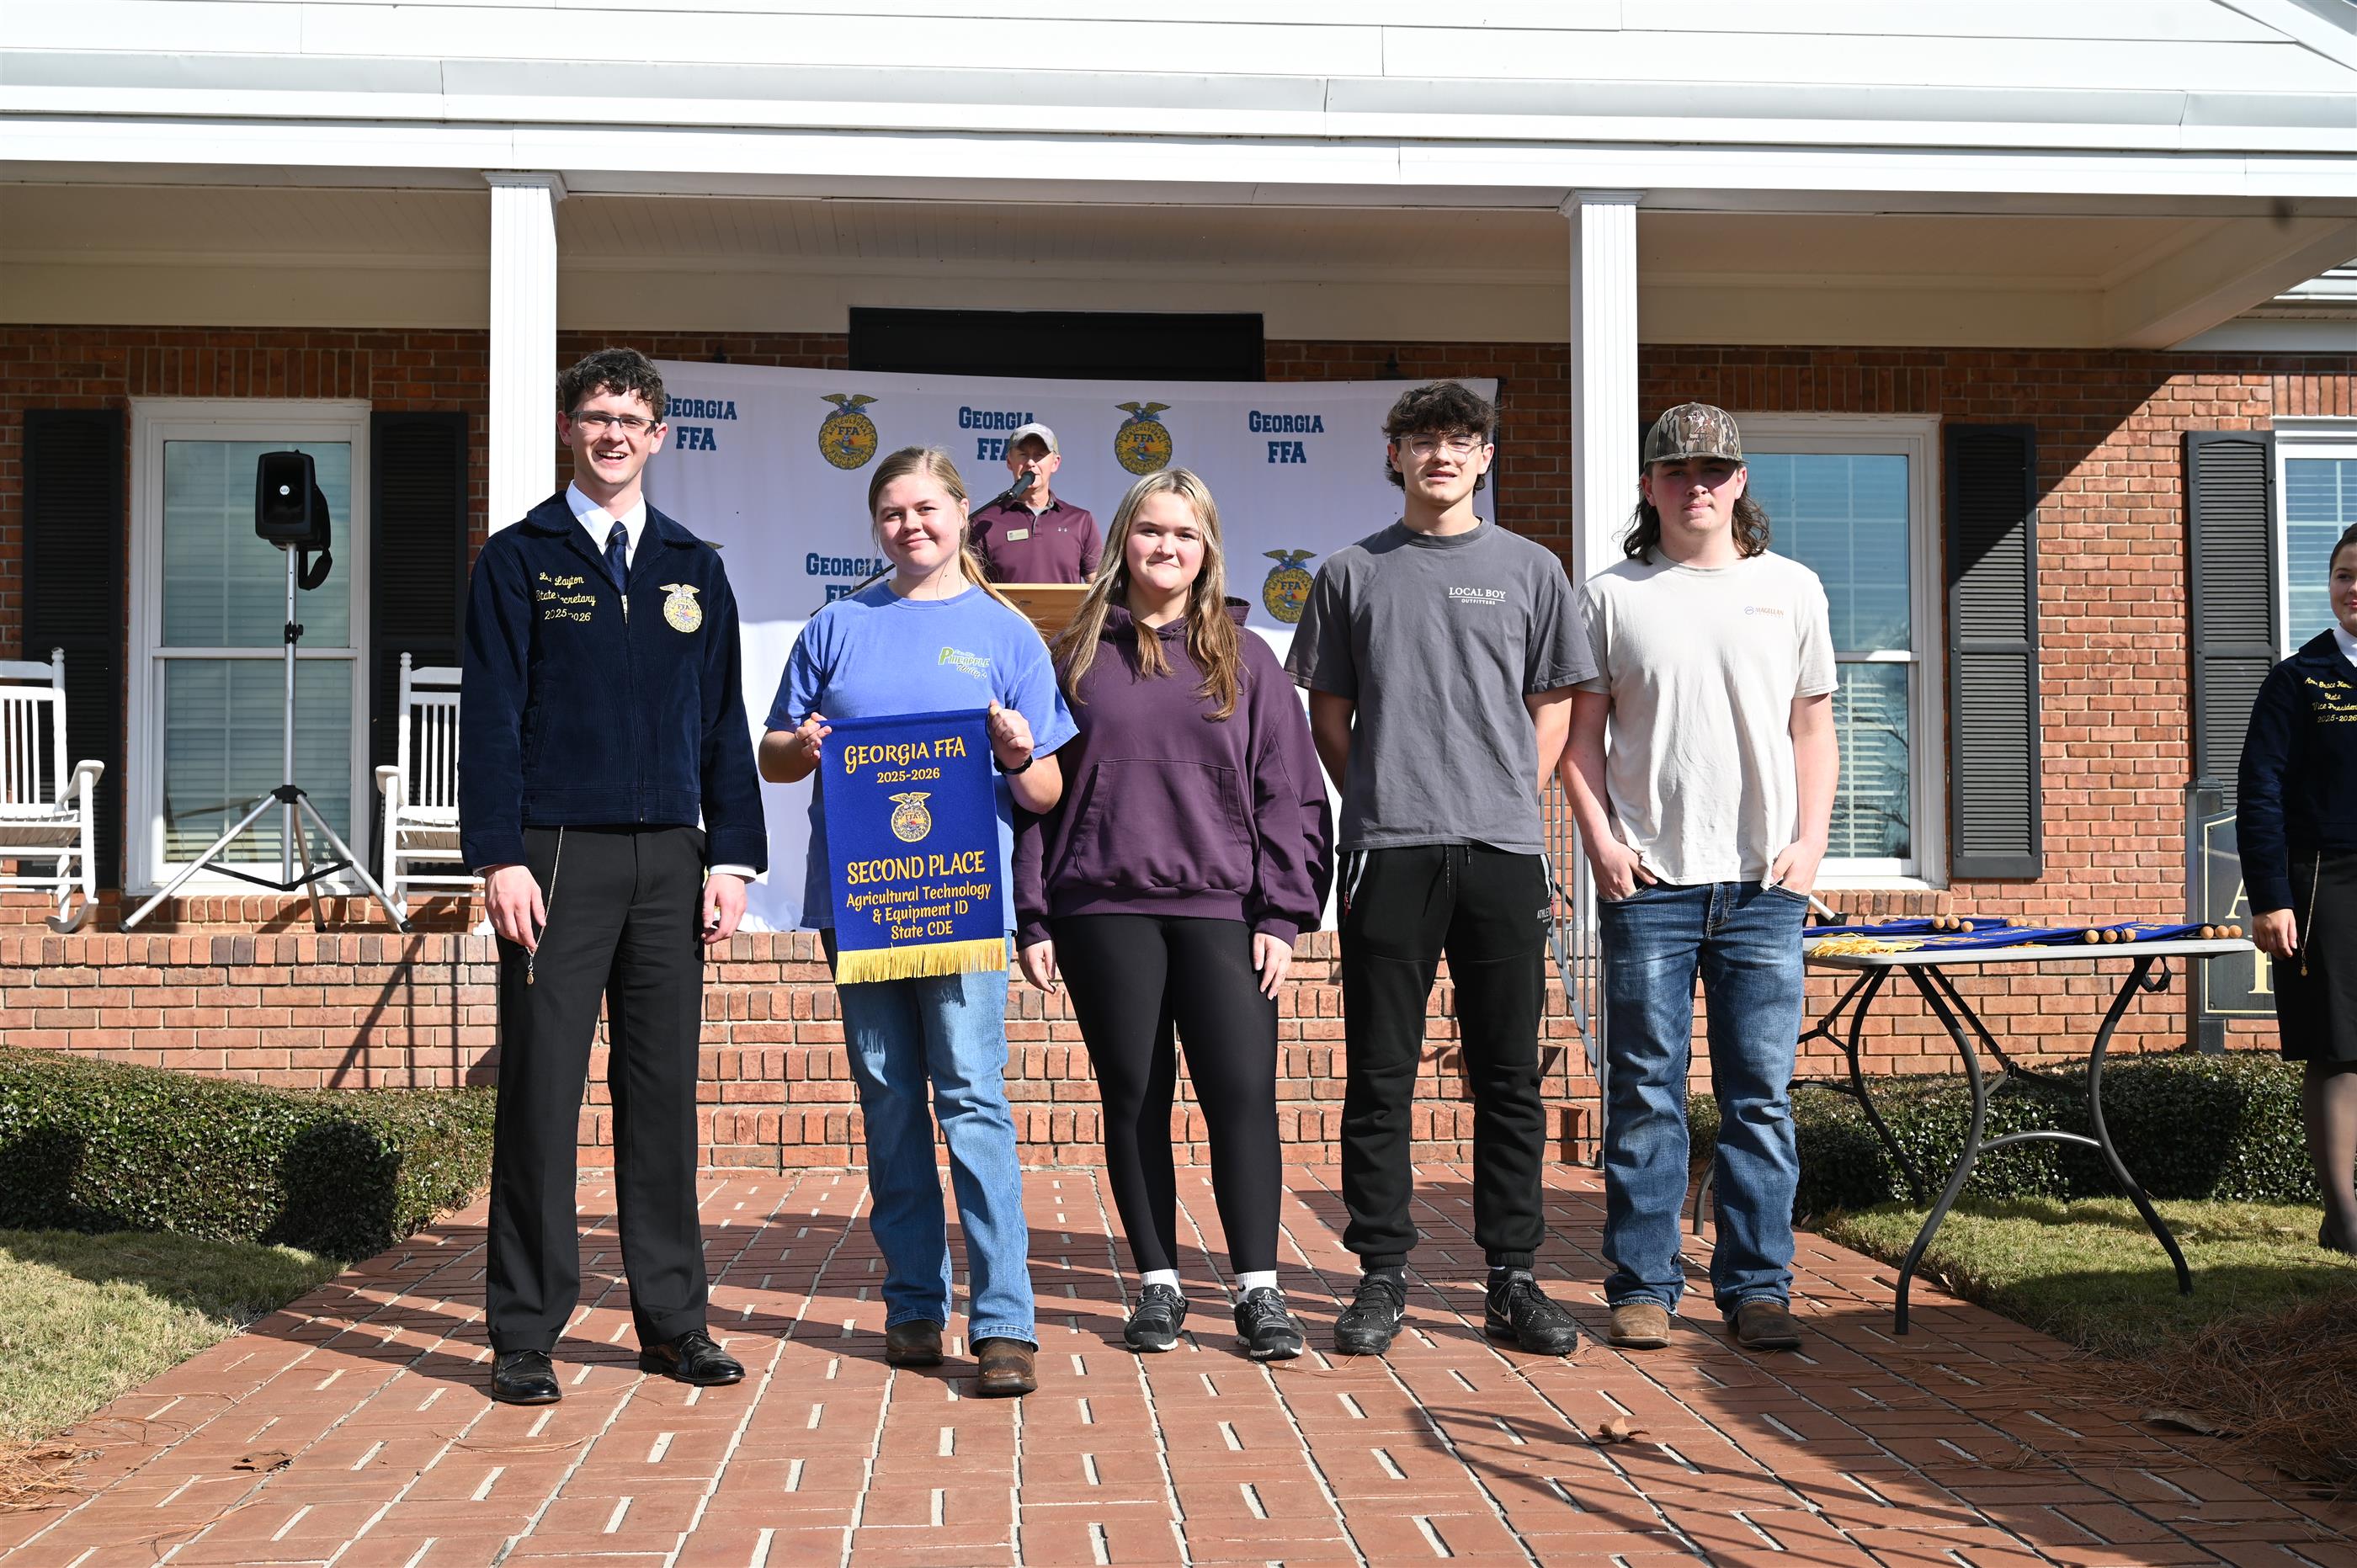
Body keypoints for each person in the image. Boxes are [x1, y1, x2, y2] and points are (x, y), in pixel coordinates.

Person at [460, 347, 767, 1405]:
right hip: (553, 854)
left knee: (660, 1096)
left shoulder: (693, 567)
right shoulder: (518, 560)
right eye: (596, 416)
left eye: (631, 419)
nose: (612, 435)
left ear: (659, 435)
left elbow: (722, 720)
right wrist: (499, 855)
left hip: (670, 860)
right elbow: (490, 718)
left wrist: (731, 856)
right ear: (567, 429)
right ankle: (524, 1333)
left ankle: (674, 1325)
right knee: (541, 1096)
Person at [760, 445, 1073, 1397]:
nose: (912, 526)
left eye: (928, 508)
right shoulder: (836, 626)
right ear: (875, 525)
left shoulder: (1006, 633)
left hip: (963, 907)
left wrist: (1017, 753)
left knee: (972, 1098)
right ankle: (912, 1305)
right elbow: (773, 755)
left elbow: (1047, 789)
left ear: (962, 513)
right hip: (861, 907)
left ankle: (1005, 1320)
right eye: (893, 512)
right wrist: (800, 744)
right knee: (890, 1098)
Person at [1284, 380, 1588, 1358]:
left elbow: (1555, 704)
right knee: (1379, 1076)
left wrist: (1507, 793)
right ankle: (1380, 1275)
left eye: (1460, 439)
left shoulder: (1531, 569)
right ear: (1396, 456)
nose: (1441, 455)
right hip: (1389, 852)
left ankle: (1512, 1279)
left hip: (1503, 853)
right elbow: (1329, 714)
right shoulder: (1350, 573)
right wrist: (1383, 795)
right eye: (1422, 440)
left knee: (1508, 1077)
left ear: (1484, 457)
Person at [1014, 468, 1332, 1360]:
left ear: (1208, 549)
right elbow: (1034, 795)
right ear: (1124, 539)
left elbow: (1290, 794)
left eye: (1186, 534)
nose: (1167, 546)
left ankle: (1259, 1289)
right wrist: (1033, 914)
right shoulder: (1073, 656)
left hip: (1224, 911)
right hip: (1100, 907)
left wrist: (1283, 914)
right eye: (1152, 530)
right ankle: (1157, 1282)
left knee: (1243, 1095)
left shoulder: (1248, 657)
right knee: (1134, 1097)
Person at [1559, 402, 1837, 1355]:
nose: (1696, 486)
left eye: (1713, 470)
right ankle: (1643, 1286)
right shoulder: (1610, 596)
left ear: (1739, 481)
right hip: (1650, 884)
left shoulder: (1792, 589)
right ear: (1649, 485)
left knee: (1760, 1096)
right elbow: (1579, 742)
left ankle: (1758, 1288)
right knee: (1647, 1092)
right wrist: (1600, 841)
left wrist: (1811, 843)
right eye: (1676, 471)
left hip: (1764, 887)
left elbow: (1813, 730)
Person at [2241, 521, 2357, 1253]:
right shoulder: (2297, 679)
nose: (2355, 588)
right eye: (2345, 574)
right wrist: (2271, 896)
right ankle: (2345, 1217)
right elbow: (2260, 792)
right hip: (2325, 882)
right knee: (2340, 1047)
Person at [968, 423, 1101, 583]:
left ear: (1055, 463)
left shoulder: (1081, 521)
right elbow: (970, 585)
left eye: (1039, 455)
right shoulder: (983, 522)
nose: (1031, 463)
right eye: (1023, 454)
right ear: (1009, 461)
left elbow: (1097, 585)